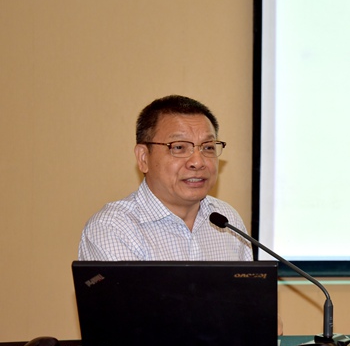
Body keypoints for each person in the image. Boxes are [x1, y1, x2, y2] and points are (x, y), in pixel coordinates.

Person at [78, 95, 252, 261]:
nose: (198, 162)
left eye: (208, 147)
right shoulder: (113, 228)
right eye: (179, 147)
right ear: (143, 158)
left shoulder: (228, 220)